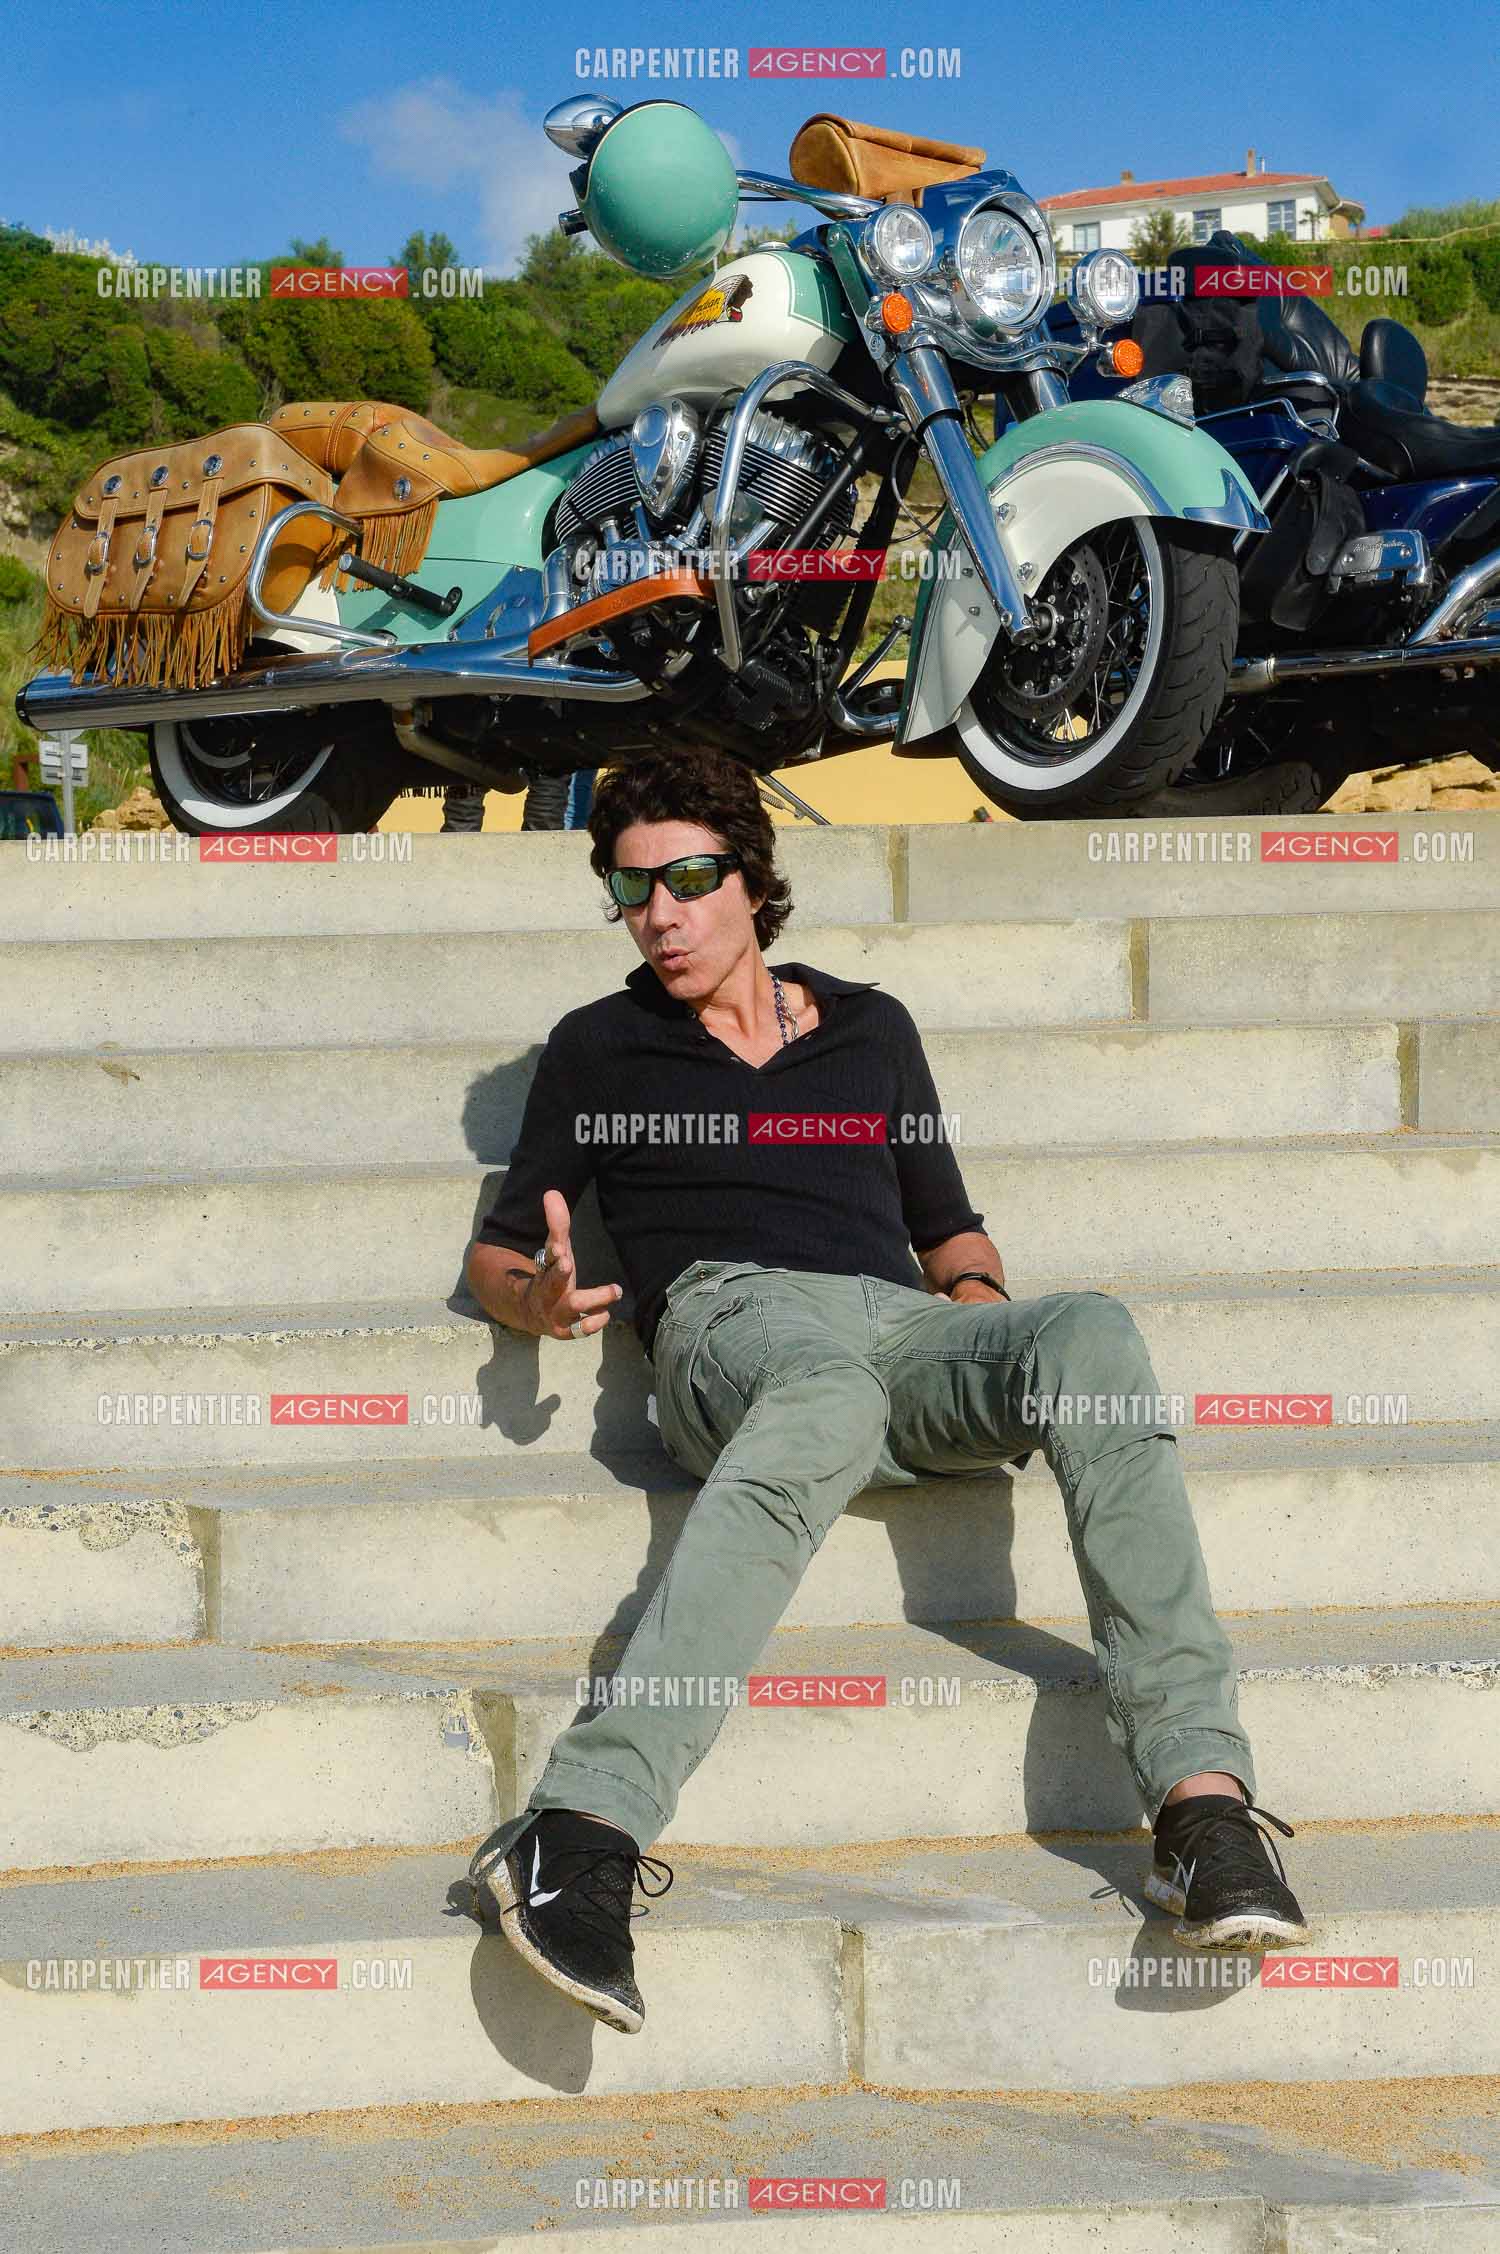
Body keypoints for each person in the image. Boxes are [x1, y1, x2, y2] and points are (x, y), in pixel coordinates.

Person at [463, 745, 1308, 2034]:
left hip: (902, 1328)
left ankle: (1201, 1808)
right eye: (632, 892)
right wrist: (538, 1300)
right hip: (731, 1320)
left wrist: (985, 1344)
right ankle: (581, 1828)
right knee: (826, 1403)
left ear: (752, 878)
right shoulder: (601, 1048)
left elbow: (950, 1229)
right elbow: (500, 1250)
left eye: (688, 878)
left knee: (1088, 1334)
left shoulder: (871, 1027)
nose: (662, 915)